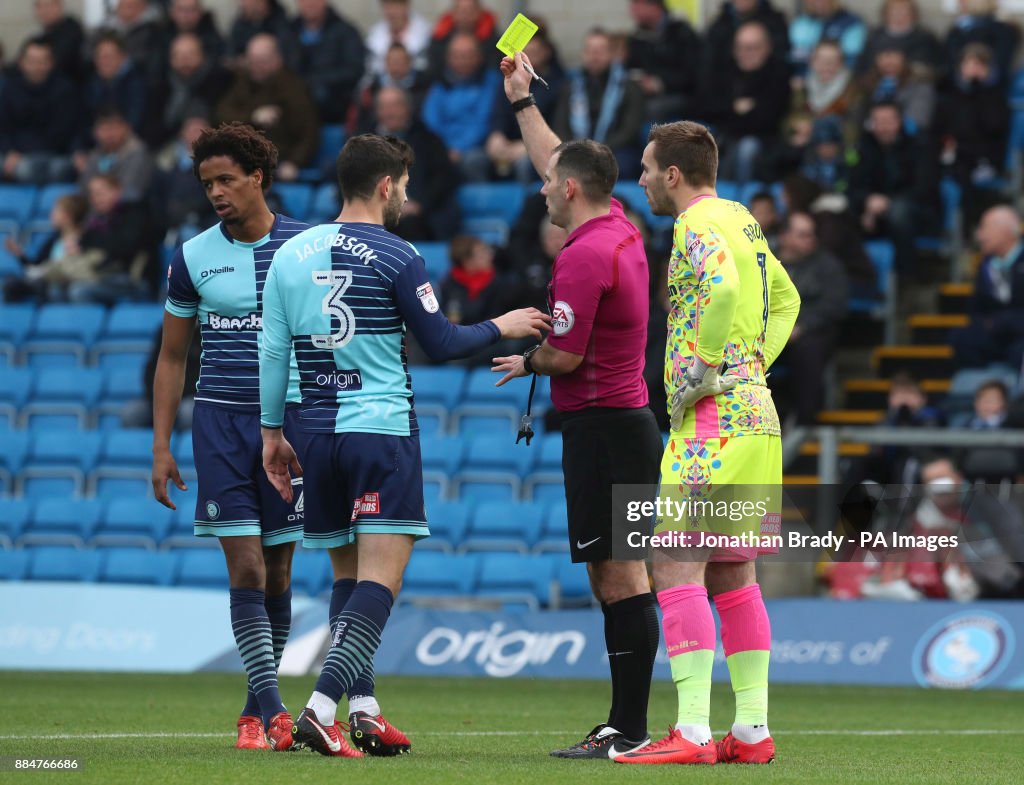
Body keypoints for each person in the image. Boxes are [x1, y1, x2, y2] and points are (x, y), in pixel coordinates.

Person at [258, 132, 549, 756]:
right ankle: (320, 707)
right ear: (387, 185)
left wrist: (272, 434)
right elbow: (440, 342)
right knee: (381, 582)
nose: (406, 195)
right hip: (378, 429)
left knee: (347, 576)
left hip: (311, 430)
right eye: (406, 185)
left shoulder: (289, 254)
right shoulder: (397, 254)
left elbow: (274, 352)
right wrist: (507, 324)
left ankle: (362, 710)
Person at [492, 51, 663, 760]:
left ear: (571, 191)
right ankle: (625, 724)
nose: (540, 193)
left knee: (620, 574)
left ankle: (627, 728)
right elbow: (555, 161)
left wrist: (523, 352)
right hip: (621, 422)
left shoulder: (584, 255)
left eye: (548, 189)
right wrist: (523, 102)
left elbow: (564, 355)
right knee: (613, 572)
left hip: (605, 428)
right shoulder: (616, 221)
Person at [614, 119, 800, 765]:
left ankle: (692, 730)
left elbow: (720, 287)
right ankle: (751, 730)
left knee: (673, 562)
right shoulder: (742, 218)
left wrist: (710, 367)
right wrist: (752, 363)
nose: (638, 180)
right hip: (757, 413)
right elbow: (787, 296)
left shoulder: (694, 224)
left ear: (672, 174)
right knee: (733, 570)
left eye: (644, 168)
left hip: (712, 419)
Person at [151, 123, 308, 753]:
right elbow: (170, 358)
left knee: (277, 571)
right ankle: (273, 711)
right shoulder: (193, 257)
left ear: (258, 177)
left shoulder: (305, 246)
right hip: (219, 422)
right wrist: (161, 446)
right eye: (207, 183)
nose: (216, 192)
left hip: (291, 422)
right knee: (243, 565)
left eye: (226, 180)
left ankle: (252, 707)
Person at [774, 211, 847, 425]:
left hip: (809, 333)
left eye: (811, 234)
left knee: (809, 349)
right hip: (768, 332)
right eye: (803, 235)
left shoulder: (828, 265)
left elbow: (834, 306)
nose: (811, 239)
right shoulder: (765, 261)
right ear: (785, 236)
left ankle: (805, 421)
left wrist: (801, 326)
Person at [216, 33, 320, 182]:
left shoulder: (293, 88)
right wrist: (252, 116)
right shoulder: (242, 82)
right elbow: (222, 114)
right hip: (242, 161)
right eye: (251, 62)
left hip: (278, 162)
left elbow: (309, 133)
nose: (256, 67)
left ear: (277, 59)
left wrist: (294, 162)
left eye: (262, 62)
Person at [951, 205, 1024, 370]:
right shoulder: (985, 265)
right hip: (995, 335)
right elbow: (975, 309)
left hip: (1020, 333)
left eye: (984, 227)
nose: (979, 235)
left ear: (1006, 231)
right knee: (961, 338)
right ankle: (982, 388)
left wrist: (1008, 321)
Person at [0, 38, 78, 185]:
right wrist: (9, 151)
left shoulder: (64, 90)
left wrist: (21, 154)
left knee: (30, 169)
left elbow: (61, 134)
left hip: (51, 153)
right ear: (21, 62)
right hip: (14, 153)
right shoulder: (11, 88)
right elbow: (3, 126)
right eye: (32, 61)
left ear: (51, 63)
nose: (37, 66)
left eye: (42, 61)